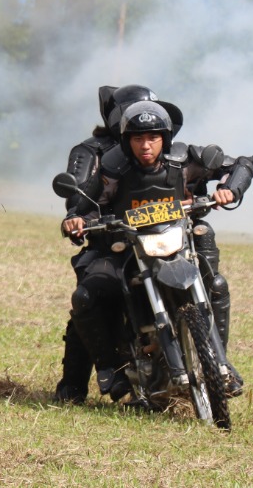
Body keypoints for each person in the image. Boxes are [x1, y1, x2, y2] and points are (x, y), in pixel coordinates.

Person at [62, 100, 253, 398]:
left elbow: (241, 163)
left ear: (165, 138)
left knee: (215, 284)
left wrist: (231, 189)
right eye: (138, 138)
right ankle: (109, 371)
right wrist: (76, 220)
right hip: (129, 248)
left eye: (153, 137)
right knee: (87, 295)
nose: (146, 145)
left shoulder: (184, 159)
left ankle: (221, 364)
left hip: (177, 242)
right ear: (126, 140)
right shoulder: (112, 170)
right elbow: (85, 203)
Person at [53, 84, 180, 404]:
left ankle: (212, 363)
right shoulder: (90, 151)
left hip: (161, 237)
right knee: (90, 298)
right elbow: (77, 196)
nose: (144, 134)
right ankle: (76, 384)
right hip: (109, 242)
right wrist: (79, 217)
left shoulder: (161, 146)